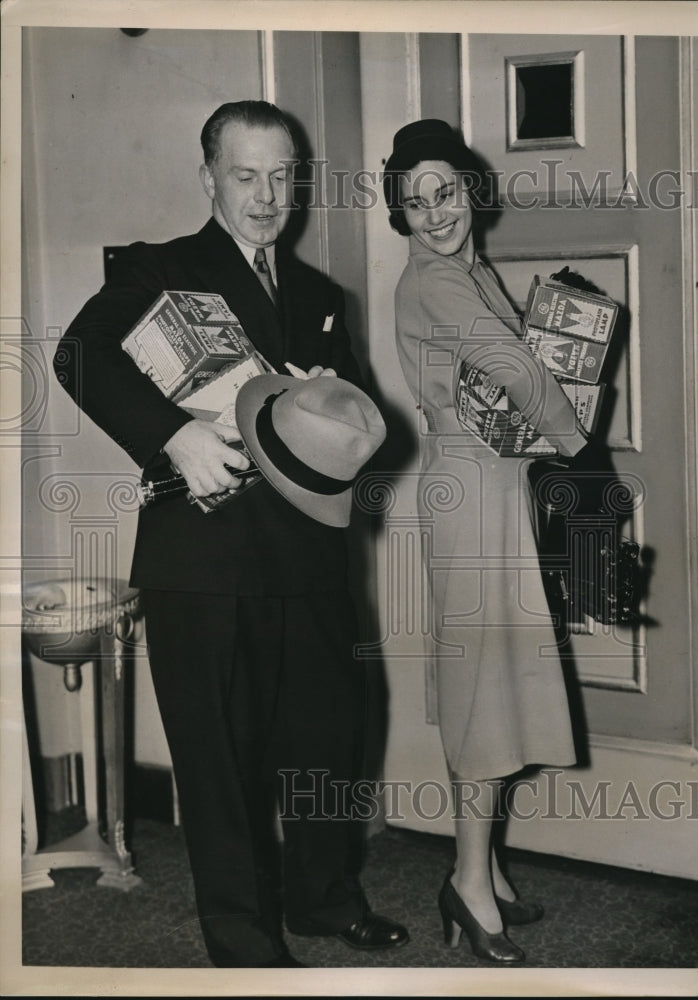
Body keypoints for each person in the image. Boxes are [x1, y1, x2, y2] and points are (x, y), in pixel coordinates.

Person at [55, 99, 408, 968]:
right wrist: (169, 434)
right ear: (208, 175)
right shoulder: (157, 269)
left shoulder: (323, 296)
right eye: (245, 175)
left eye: (282, 176)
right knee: (221, 760)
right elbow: (77, 356)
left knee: (332, 736)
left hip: (309, 559)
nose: (265, 195)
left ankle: (325, 899)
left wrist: (329, 397)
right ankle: (245, 940)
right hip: (202, 560)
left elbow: (363, 431)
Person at [383, 119, 592, 965]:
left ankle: (486, 867)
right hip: (469, 492)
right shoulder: (433, 282)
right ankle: (467, 883)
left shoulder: (467, 269)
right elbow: (511, 366)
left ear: (470, 189)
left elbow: (514, 366)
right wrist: (579, 444)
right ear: (398, 211)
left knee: (497, 678)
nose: (433, 212)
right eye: (413, 199)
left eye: (444, 190)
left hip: (490, 483)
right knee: (480, 687)